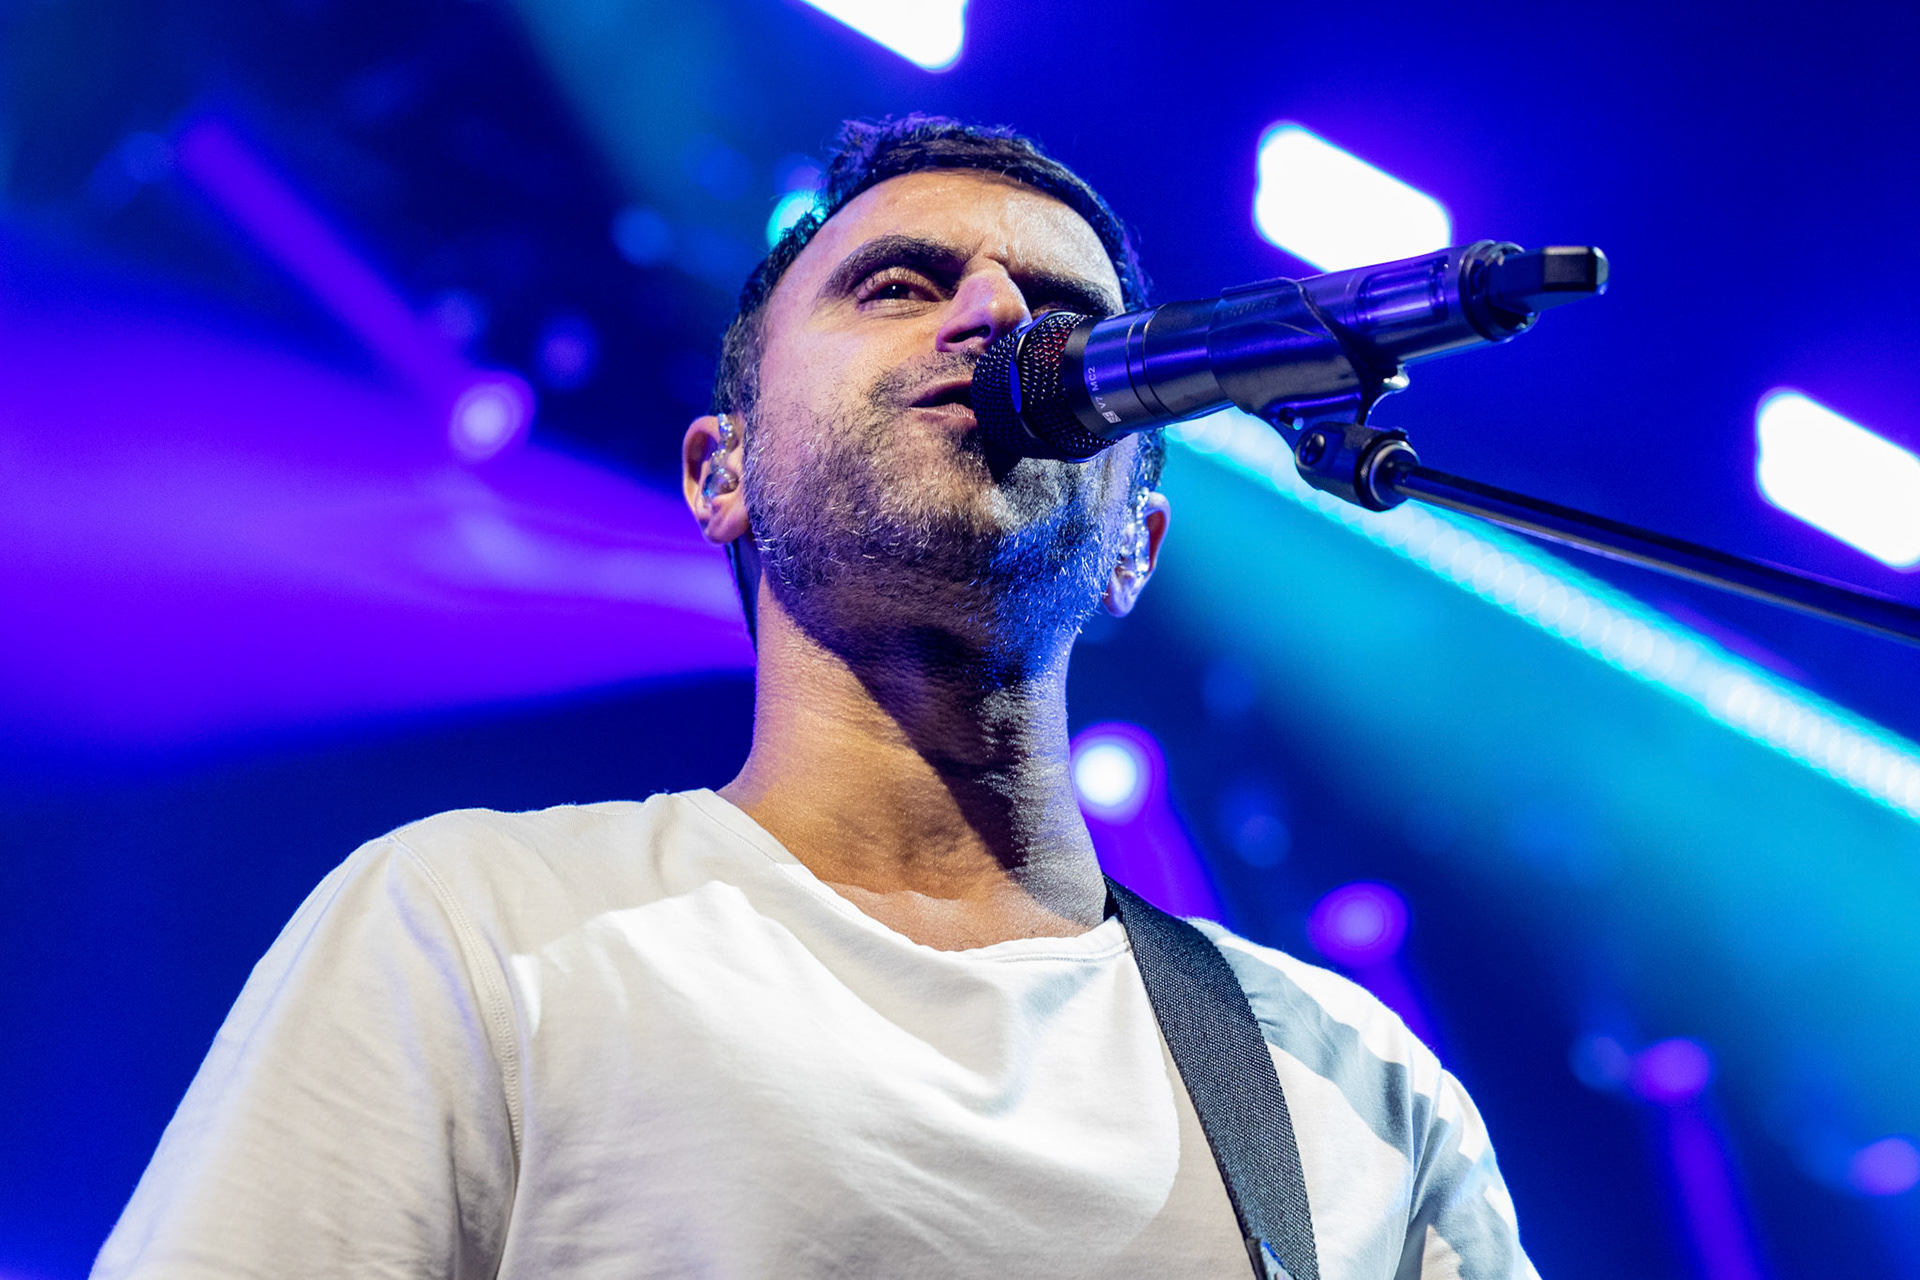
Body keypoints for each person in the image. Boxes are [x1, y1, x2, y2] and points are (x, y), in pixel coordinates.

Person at [94, 116, 1537, 1279]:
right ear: (721, 471)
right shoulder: (471, 927)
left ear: (1133, 547)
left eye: (1062, 315)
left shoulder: (1347, 1087)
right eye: (899, 285)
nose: (996, 317)